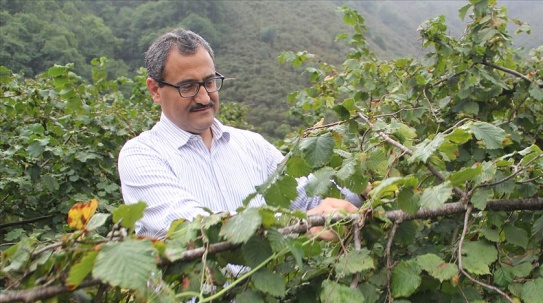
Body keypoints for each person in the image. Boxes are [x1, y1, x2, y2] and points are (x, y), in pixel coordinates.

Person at [118, 28, 362, 240]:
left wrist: (365, 186)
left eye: (210, 82)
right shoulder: (141, 156)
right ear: (155, 90)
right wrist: (296, 223)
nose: (204, 97)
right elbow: (195, 226)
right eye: (187, 87)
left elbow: (307, 199)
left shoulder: (252, 145)